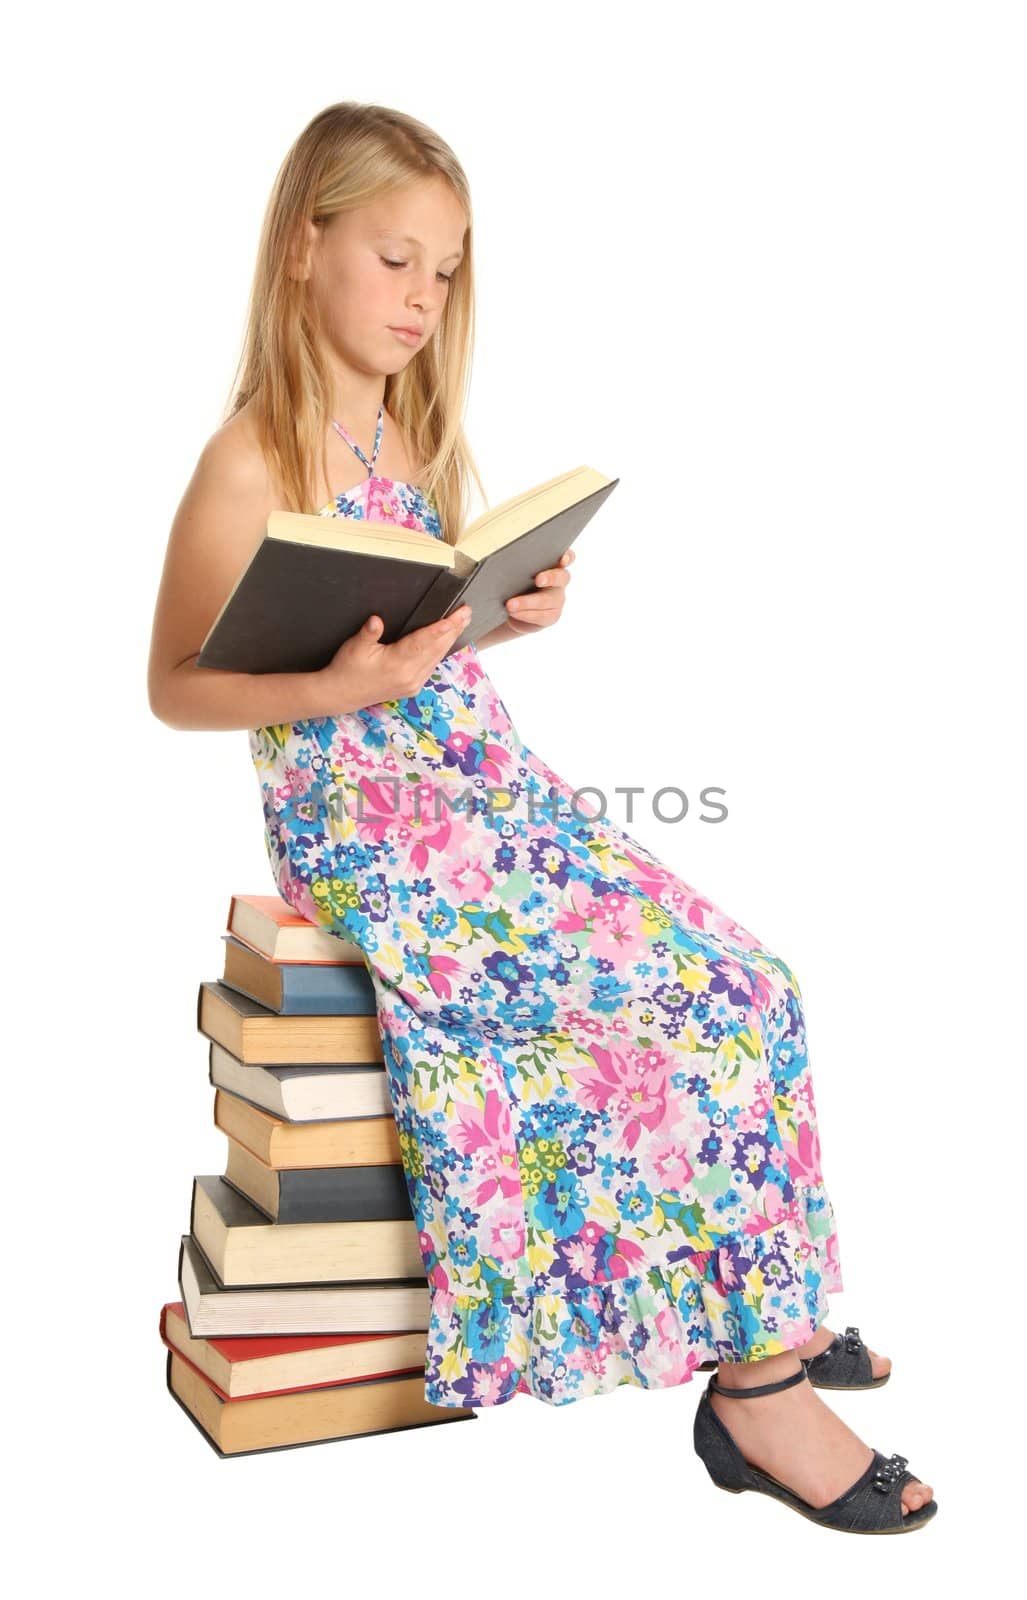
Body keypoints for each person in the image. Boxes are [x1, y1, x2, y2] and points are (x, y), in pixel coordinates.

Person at [147, 101, 936, 1534]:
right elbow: (177, 689)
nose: (419, 299)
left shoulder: (405, 429)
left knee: (753, 981)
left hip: (486, 791)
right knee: (681, 1013)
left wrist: (492, 619)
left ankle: (770, 1294)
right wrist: (339, 690)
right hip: (376, 832)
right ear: (304, 245)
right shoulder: (251, 459)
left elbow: (404, 648)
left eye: (443, 274)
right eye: (394, 260)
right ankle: (757, 1394)